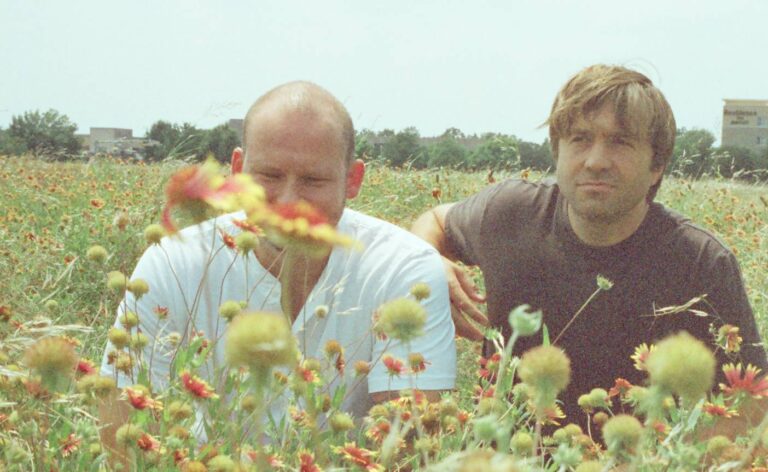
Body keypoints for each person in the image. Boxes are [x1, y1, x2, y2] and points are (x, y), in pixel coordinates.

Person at [99, 81, 456, 455]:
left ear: (353, 180)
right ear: (238, 170)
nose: (288, 201)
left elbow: (409, 447)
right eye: (269, 176)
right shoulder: (174, 262)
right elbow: (122, 436)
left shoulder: (403, 268)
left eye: (313, 180)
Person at [411, 64, 767, 427]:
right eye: (580, 139)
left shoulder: (700, 262)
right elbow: (436, 221)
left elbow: (752, 402)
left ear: (657, 166)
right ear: (557, 151)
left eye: (620, 142)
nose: (596, 162)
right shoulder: (510, 213)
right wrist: (427, 262)